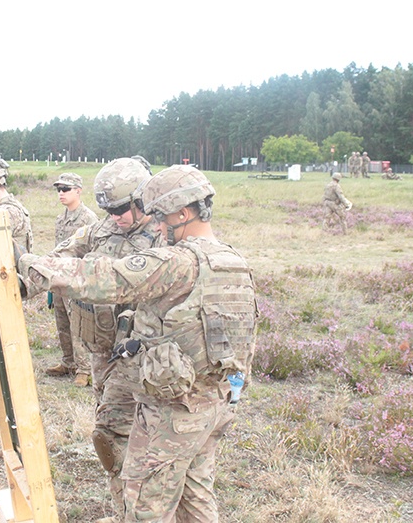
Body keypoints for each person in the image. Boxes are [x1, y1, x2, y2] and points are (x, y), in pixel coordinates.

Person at [19, 165, 257, 523]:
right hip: (214, 401)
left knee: (146, 506)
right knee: (195, 494)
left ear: (183, 212)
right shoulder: (230, 260)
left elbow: (107, 278)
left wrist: (25, 260)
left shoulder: (177, 262)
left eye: (161, 216)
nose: (157, 225)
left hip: (173, 412)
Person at [42, 157, 163, 520]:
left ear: (143, 199)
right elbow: (61, 255)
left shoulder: (166, 235)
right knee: (110, 438)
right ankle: (125, 507)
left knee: (151, 442)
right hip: (102, 351)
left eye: (123, 209)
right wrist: (28, 275)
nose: (116, 217)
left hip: (148, 359)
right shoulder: (100, 231)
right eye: (108, 210)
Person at [47, 172, 98, 387]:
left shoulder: (89, 219)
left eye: (66, 189)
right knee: (62, 322)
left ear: (78, 190)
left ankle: (85, 369)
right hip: (60, 279)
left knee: (79, 325)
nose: (61, 193)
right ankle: (68, 362)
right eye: (59, 189)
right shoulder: (61, 219)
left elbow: (93, 252)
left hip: (78, 280)